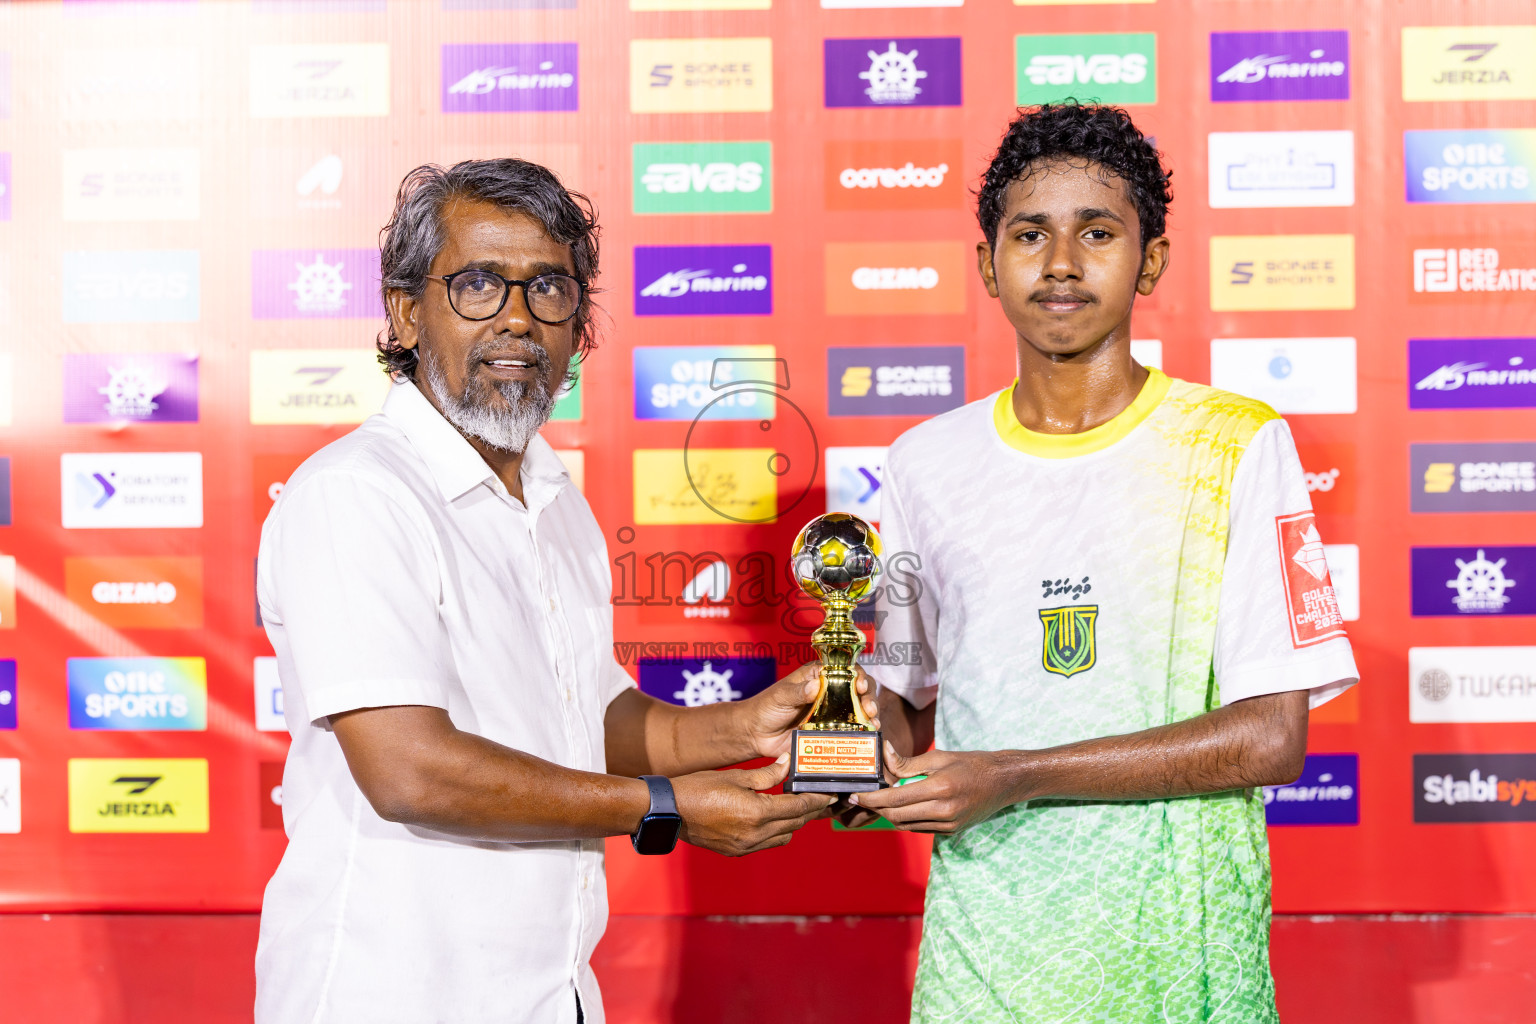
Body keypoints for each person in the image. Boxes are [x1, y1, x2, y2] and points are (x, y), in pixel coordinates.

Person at [253, 159, 855, 1024]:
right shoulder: (357, 492)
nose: (518, 320)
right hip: (391, 996)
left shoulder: (554, 499)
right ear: (404, 310)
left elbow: (585, 718)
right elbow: (408, 770)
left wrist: (741, 726)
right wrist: (666, 809)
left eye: (550, 289)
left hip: (552, 994)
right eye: (476, 286)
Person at [850, 104, 1358, 1022]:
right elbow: (895, 695)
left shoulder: (1234, 445)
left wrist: (1015, 775)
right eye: (1030, 234)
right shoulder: (925, 459)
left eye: (1098, 233)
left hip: (1179, 952)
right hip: (985, 950)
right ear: (986, 263)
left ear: (1150, 259)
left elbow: (1270, 740)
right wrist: (858, 766)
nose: (1061, 264)